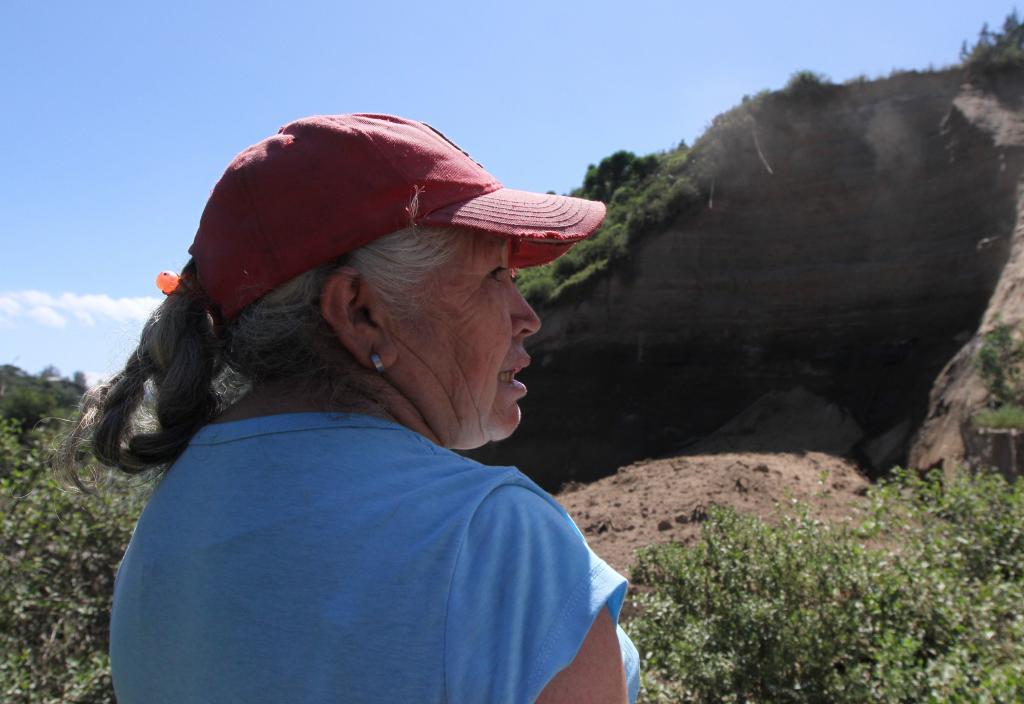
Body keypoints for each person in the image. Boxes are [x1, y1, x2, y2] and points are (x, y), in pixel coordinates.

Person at [58, 114, 639, 703]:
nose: (527, 316)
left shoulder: (167, 519)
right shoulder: (495, 540)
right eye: (493, 273)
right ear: (359, 311)